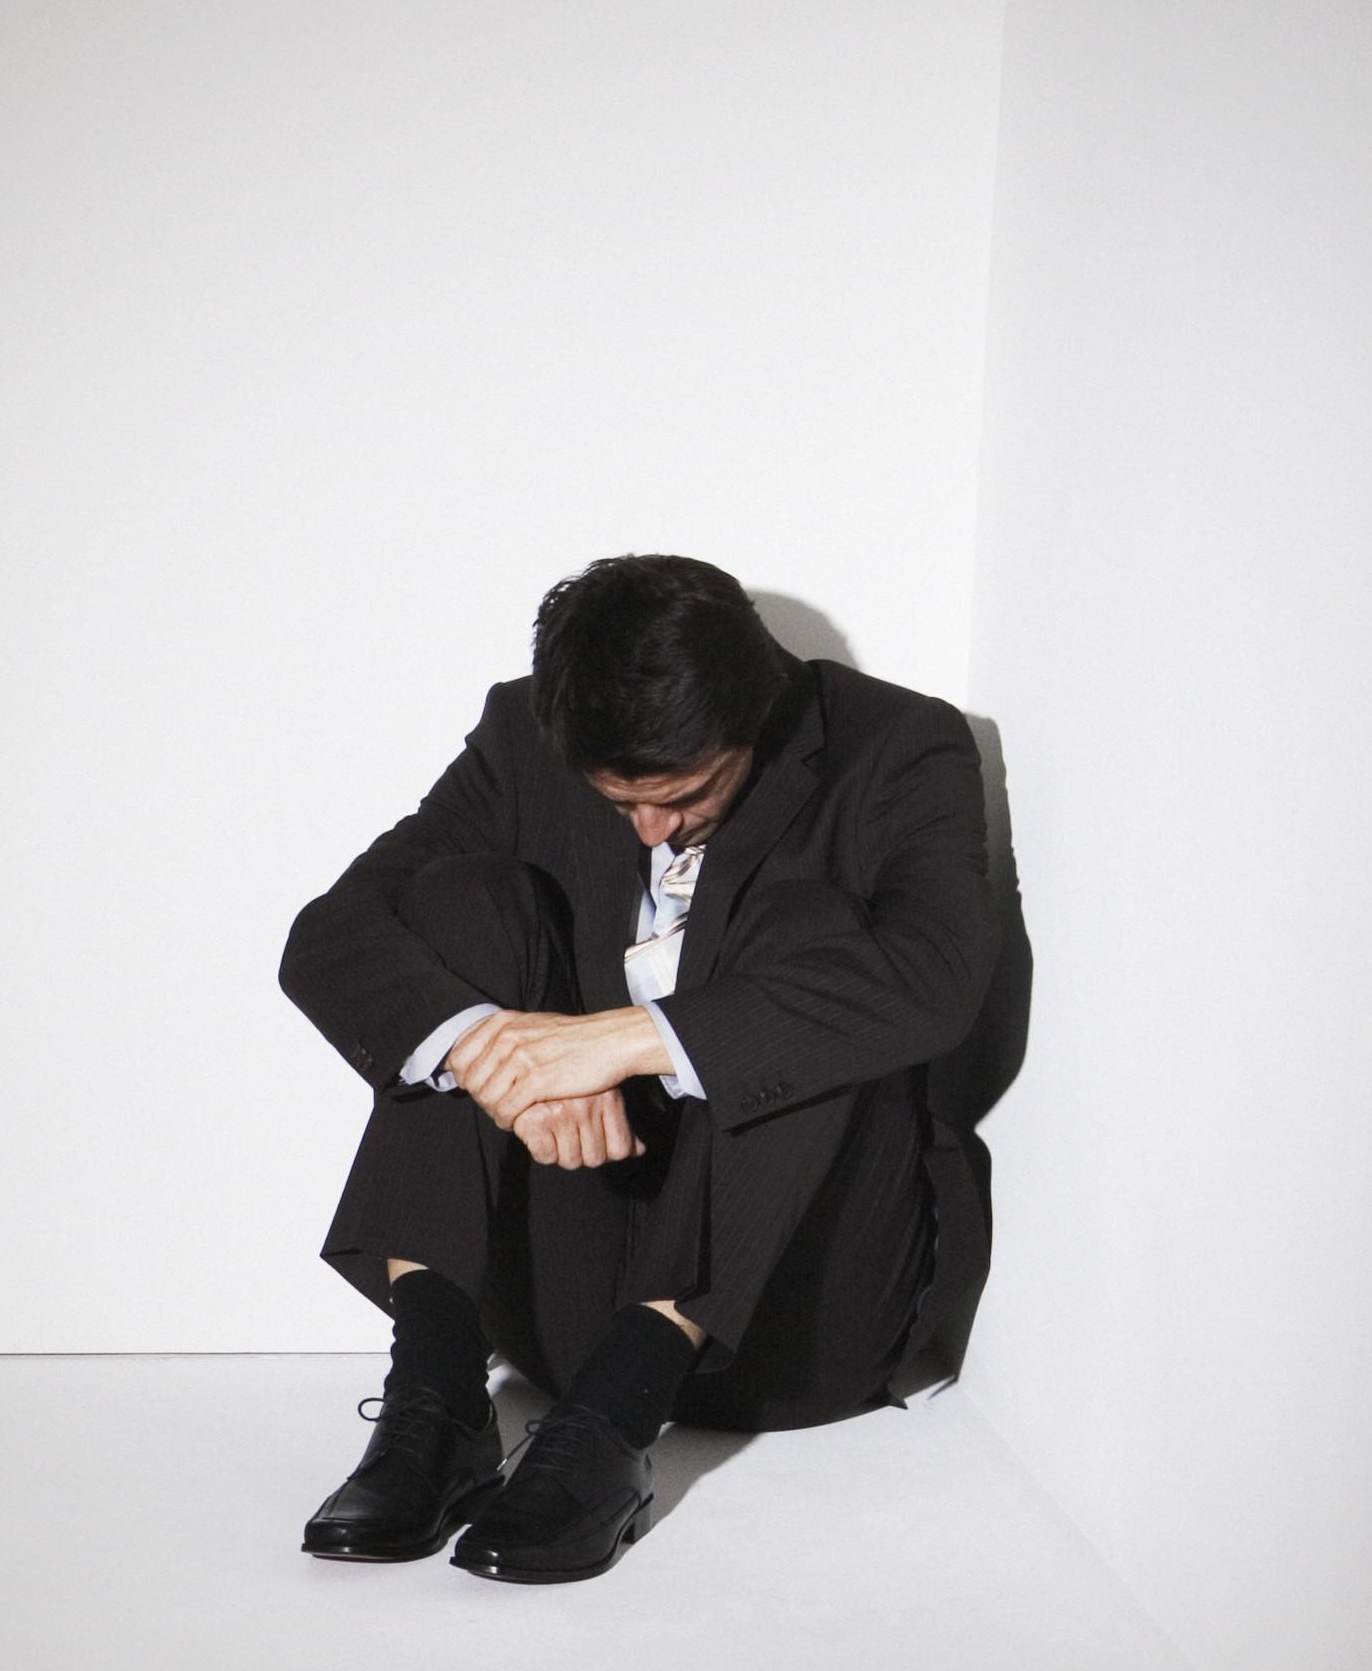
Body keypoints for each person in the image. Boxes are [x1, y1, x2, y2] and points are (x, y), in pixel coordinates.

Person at [276, 554, 1018, 1583]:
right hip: (565, 1289)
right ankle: (436, 1401)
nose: (651, 829)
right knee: (455, 907)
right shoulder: (522, 730)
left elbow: (934, 975)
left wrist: (615, 1040)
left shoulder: (896, 745)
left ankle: (613, 1430)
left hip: (795, 1305)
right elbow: (332, 934)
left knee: (811, 930)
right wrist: (490, 1050)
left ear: (756, 714)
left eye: (682, 796)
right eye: (618, 801)